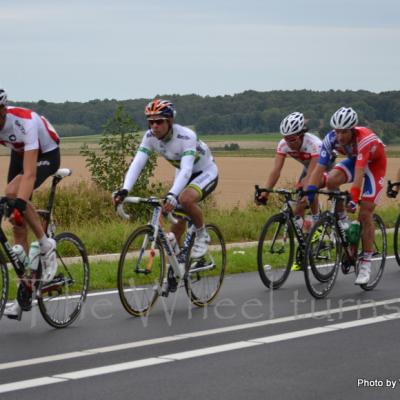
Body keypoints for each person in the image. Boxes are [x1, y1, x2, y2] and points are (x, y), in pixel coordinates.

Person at [113, 99, 218, 260]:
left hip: (204, 172)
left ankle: (202, 235)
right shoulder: (150, 137)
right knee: (173, 217)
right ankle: (177, 267)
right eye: (151, 122)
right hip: (182, 175)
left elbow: (187, 168)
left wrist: (173, 194)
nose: (154, 126)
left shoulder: (186, 136)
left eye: (159, 121)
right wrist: (125, 189)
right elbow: (137, 163)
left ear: (170, 121)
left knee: (185, 199)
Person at [306, 107, 387, 285]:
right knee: (331, 181)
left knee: (364, 213)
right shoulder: (330, 139)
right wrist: (310, 190)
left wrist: (354, 198)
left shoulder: (364, 139)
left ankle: (366, 262)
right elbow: (319, 168)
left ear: (352, 129)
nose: (340, 136)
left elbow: (359, 175)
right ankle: (342, 220)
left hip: (374, 165)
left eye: (344, 132)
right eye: (337, 131)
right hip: (355, 160)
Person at [0, 88, 60, 319]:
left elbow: (29, 175)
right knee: (17, 226)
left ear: (3, 110)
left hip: (46, 153)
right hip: (19, 152)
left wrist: (20, 203)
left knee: (14, 194)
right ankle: (23, 294)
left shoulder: (24, 121)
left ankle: (46, 244)